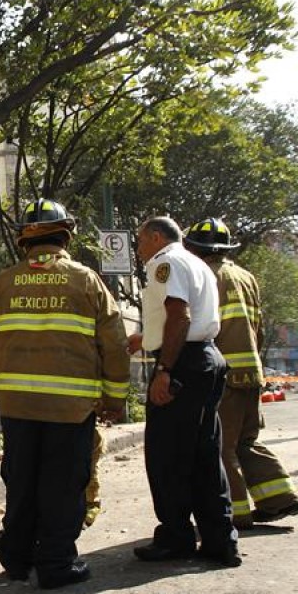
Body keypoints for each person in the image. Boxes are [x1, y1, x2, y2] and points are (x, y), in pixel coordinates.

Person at [0, 199, 130, 589]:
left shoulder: (3, 282)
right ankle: (57, 564)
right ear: (65, 236)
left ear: (25, 241)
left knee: (22, 481)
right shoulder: (86, 280)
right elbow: (113, 343)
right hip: (71, 409)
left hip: (17, 407)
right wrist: (115, 396)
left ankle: (16, 558)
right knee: (62, 486)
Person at [127, 216, 241, 567]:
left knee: (168, 455)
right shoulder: (197, 262)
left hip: (183, 365)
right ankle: (220, 539)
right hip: (206, 360)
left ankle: (176, 537)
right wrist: (144, 339)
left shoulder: (166, 262)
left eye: (141, 241)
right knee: (204, 453)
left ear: (157, 237)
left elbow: (180, 316)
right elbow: (179, 319)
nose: (139, 248)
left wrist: (164, 370)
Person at [184, 218, 298, 528]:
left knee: (222, 446)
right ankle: (279, 498)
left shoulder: (204, 277)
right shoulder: (246, 276)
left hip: (224, 374)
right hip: (251, 371)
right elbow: (258, 328)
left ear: (195, 249)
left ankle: (235, 513)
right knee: (247, 440)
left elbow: (201, 327)